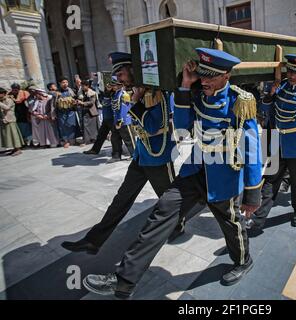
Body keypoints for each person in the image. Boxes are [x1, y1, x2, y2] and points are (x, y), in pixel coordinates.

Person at [82, 48, 263, 298]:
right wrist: (186, 87)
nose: (206, 81)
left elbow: (251, 146)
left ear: (227, 75)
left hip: (225, 174)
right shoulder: (196, 94)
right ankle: (124, 279)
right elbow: (182, 129)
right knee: (162, 212)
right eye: (203, 75)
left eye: (212, 76)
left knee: (231, 223)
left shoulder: (240, 101)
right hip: (195, 169)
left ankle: (243, 261)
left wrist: (253, 193)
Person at [61, 51, 176, 256]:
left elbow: (152, 126)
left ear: (132, 70)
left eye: (121, 73)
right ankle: (93, 241)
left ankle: (179, 225)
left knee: (169, 200)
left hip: (158, 155)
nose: (119, 79)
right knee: (121, 200)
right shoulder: (137, 91)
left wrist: (136, 101)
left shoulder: (155, 93)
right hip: (142, 155)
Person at [246, 55, 296, 230]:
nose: (292, 75)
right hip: (277, 142)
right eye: (289, 71)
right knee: (269, 180)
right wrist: (270, 96)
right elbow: (267, 111)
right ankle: (258, 218)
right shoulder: (280, 87)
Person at [83, 83, 123, 159]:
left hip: (113, 118)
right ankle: (95, 150)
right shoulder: (107, 93)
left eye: (112, 85)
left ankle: (116, 155)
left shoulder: (118, 94)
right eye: (108, 86)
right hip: (106, 118)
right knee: (101, 135)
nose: (110, 87)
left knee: (115, 137)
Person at [110, 77, 135, 161]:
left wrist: (119, 121)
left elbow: (124, 109)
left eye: (115, 85)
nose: (113, 87)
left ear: (119, 85)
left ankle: (134, 155)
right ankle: (116, 156)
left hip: (124, 121)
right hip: (116, 120)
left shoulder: (124, 94)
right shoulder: (115, 94)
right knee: (115, 139)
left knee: (128, 139)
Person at [55, 77, 78, 148]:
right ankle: (66, 141)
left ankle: (73, 140)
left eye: (66, 82)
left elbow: (76, 98)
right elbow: (54, 103)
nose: (65, 84)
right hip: (61, 112)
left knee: (72, 125)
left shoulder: (71, 91)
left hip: (70, 111)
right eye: (63, 82)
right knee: (63, 126)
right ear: (60, 83)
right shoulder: (57, 92)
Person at [0, 87, 24, 156]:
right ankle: (14, 148)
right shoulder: (1, 101)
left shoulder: (9, 100)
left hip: (10, 120)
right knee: (9, 136)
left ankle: (18, 149)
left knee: (14, 135)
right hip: (4, 120)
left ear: (3, 93)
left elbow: (7, 108)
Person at [76, 80, 99, 145]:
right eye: (81, 86)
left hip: (91, 112)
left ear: (87, 86)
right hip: (84, 112)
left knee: (93, 127)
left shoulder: (92, 93)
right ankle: (87, 140)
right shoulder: (80, 93)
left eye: (83, 86)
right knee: (85, 126)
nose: (82, 87)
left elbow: (92, 102)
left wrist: (82, 103)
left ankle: (94, 139)